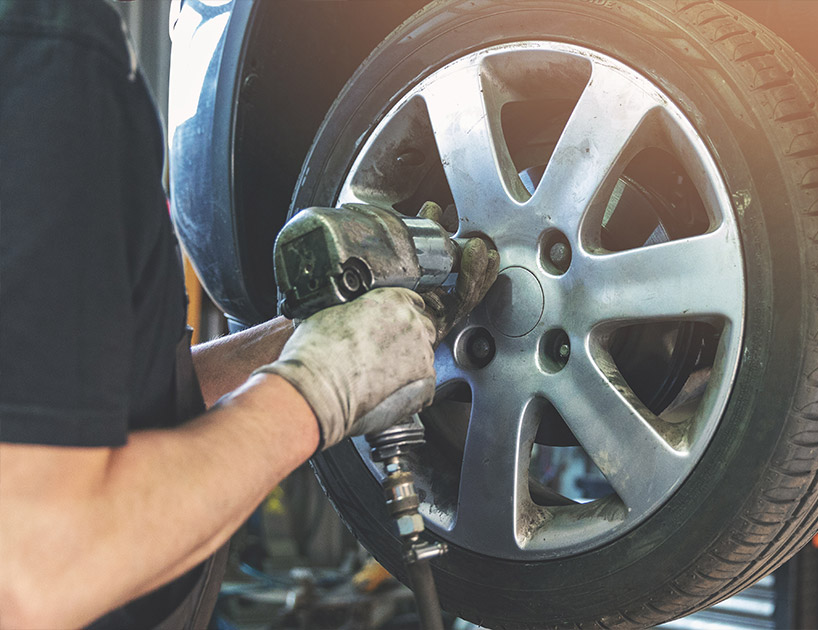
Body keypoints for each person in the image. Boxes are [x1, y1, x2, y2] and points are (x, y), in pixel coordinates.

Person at [0, 1, 497, 628]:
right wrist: (316, 391)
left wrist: (302, 342)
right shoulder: (44, 46)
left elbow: (86, 407)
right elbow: (34, 570)